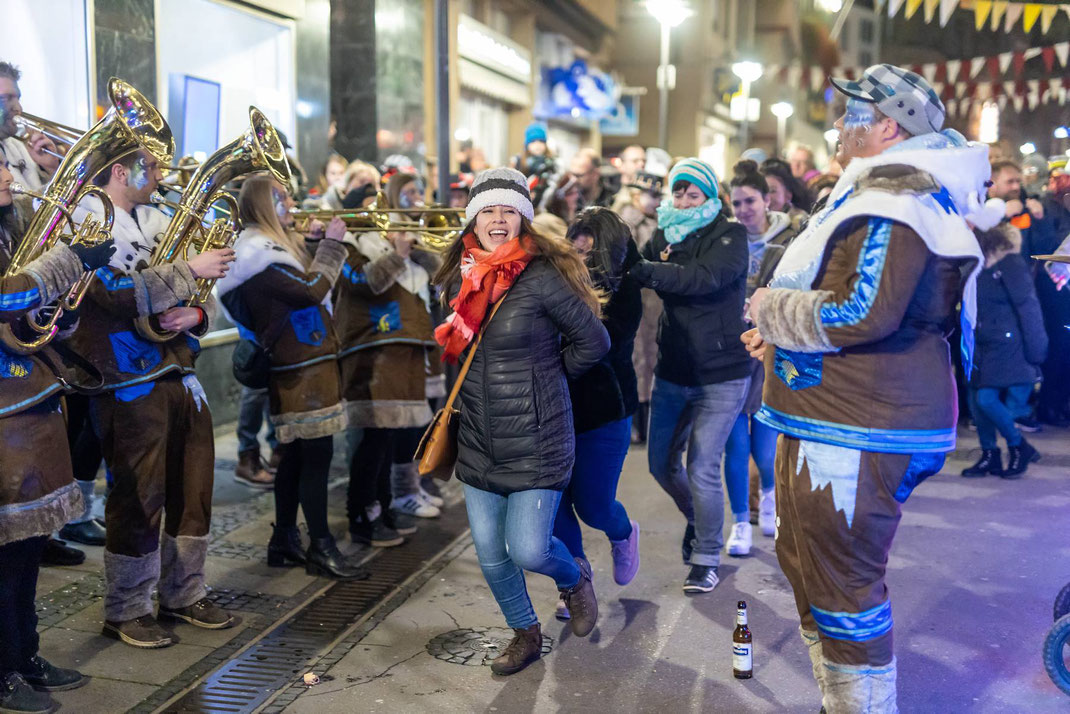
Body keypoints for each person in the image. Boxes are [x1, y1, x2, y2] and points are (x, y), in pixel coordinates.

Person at [743, 64, 988, 711]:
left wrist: (773, 311)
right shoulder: (870, 191)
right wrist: (782, 334)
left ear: (887, 125)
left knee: (842, 582)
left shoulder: (898, 197)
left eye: (851, 111)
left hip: (862, 424)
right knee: (804, 564)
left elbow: (865, 311)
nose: (837, 123)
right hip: (826, 416)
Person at [432, 167, 608, 676]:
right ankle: (524, 633)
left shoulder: (541, 277)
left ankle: (574, 579)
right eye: (488, 209)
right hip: (479, 437)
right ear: (473, 218)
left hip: (536, 436)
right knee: (491, 554)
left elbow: (593, 342)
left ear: (524, 218)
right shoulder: (459, 278)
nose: (499, 219)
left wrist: (545, 379)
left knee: (529, 549)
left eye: (509, 209)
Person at [63, 149, 237, 649]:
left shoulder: (158, 220)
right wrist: (187, 271)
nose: (162, 177)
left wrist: (196, 317)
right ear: (120, 171)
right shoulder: (86, 221)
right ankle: (128, 606)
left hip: (179, 369)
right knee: (138, 494)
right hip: (123, 374)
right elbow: (112, 293)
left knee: (194, 484)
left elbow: (204, 296)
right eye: (152, 168)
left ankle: (183, 591)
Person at [0, 146, 111, 713]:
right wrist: (67, 262)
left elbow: (24, 315)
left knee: (24, 551)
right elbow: (6, 295)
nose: (9, 173)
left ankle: (24, 655)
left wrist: (60, 314)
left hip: (26, 402)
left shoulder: (6, 232)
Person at [218, 175, 364, 581]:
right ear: (264, 205)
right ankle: (321, 546)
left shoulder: (272, 249)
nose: (292, 206)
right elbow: (310, 290)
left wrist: (312, 244)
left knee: (297, 458)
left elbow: (301, 287)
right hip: (295, 369)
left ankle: (283, 538)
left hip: (307, 361)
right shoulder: (256, 254)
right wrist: (332, 245)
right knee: (314, 459)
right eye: (282, 200)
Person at [627, 158, 751, 594]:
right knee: (661, 464)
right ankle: (700, 519)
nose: (682, 200)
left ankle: (706, 557)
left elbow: (702, 278)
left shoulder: (731, 235)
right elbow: (634, 272)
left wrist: (641, 269)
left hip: (722, 372)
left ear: (710, 196)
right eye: (677, 192)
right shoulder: (664, 233)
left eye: (691, 193)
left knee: (702, 467)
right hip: (675, 370)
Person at [553, 207, 642, 622]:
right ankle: (575, 582)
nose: (581, 261)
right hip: (553, 412)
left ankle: (623, 533)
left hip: (605, 412)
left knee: (592, 505)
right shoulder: (557, 280)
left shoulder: (625, 292)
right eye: (575, 251)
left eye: (590, 255)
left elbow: (601, 344)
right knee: (552, 506)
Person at [336, 215, 443, 546]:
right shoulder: (351, 245)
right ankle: (362, 515)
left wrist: (416, 250)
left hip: (400, 357)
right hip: (371, 356)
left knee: (385, 441)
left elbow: (437, 276)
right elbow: (362, 283)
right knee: (372, 442)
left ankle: (381, 507)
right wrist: (396, 254)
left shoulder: (385, 248)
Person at [724, 159, 797, 556]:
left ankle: (769, 498)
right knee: (734, 436)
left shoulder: (792, 238)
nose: (743, 209)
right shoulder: (725, 237)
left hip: (771, 344)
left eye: (750, 200)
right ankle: (739, 521)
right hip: (731, 348)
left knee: (765, 435)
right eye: (736, 202)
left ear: (767, 199)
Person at [962, 222, 1046, 479]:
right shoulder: (977, 265)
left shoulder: (1010, 265)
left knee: (986, 399)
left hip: (1004, 344)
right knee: (976, 401)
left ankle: (1018, 445)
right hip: (979, 343)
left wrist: (1036, 349)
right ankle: (990, 455)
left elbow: (1028, 307)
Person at [617, 171, 664, 444]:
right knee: (637, 357)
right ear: (636, 194)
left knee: (652, 355)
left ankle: (648, 423)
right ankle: (635, 422)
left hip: (654, 299)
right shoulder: (625, 220)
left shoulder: (658, 220)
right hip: (634, 297)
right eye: (652, 195)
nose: (656, 202)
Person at [0, 62, 60, 192]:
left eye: (18, 99)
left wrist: (52, 168)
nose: (18, 108)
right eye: (6, 98)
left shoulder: (17, 147)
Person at [760, 157, 811, 229]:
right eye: (763, 191)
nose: (767, 197)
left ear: (788, 195)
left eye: (773, 191)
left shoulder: (800, 220)